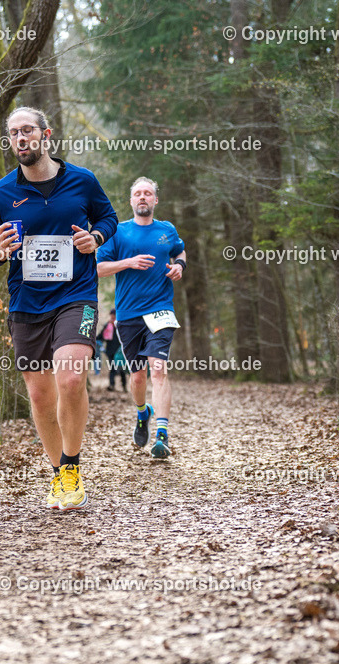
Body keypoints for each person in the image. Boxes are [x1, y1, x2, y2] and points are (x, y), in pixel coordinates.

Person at [0, 106, 118, 511]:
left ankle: (72, 466)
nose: (20, 139)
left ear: (45, 135)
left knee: (71, 379)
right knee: (40, 396)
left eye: (27, 131)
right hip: (27, 302)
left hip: (76, 295)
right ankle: (60, 473)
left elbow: (108, 218)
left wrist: (95, 237)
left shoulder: (82, 181)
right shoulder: (0, 193)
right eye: (13, 133)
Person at [97, 177, 186, 459]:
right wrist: (128, 263)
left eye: (148, 193)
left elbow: (179, 250)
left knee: (158, 369)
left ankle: (162, 434)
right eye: (138, 194)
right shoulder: (118, 233)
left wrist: (180, 265)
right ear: (131, 201)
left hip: (161, 310)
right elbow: (97, 267)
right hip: (128, 314)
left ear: (155, 200)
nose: (143, 197)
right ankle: (141, 412)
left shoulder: (167, 230)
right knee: (137, 377)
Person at [97, 309, 127, 391]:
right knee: (112, 368)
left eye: (114, 315)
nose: (112, 316)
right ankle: (112, 385)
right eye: (111, 315)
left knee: (121, 369)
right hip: (110, 351)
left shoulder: (121, 325)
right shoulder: (108, 325)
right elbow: (101, 336)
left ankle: (124, 386)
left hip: (120, 351)